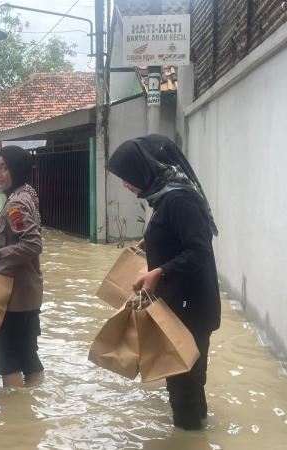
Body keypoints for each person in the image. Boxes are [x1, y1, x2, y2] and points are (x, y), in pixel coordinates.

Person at [106, 134, 221, 431]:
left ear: (145, 169)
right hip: (185, 303)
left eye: (128, 176)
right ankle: (198, 431)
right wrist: (150, 241)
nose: (126, 184)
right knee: (190, 379)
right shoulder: (166, 197)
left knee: (183, 381)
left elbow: (199, 250)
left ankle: (189, 434)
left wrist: (159, 273)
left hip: (190, 308)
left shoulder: (178, 198)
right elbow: (177, 236)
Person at [0, 146, 44, 388]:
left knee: (7, 357)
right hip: (26, 293)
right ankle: (30, 413)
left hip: (12, 296)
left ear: (17, 168)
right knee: (27, 355)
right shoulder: (25, 195)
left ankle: (14, 416)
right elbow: (23, 235)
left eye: (5, 167)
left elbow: (33, 244)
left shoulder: (16, 203)